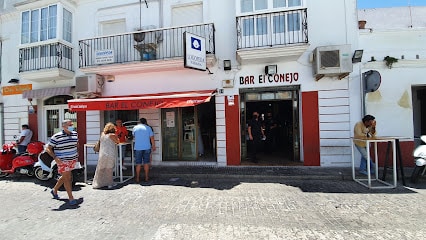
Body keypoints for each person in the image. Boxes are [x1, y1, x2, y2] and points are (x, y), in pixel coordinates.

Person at [46, 119, 81, 206]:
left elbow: (77, 144)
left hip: (72, 159)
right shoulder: (57, 136)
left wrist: (77, 153)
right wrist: (55, 157)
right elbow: (48, 148)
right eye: (70, 124)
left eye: (72, 124)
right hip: (62, 160)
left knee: (65, 176)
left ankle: (54, 190)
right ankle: (71, 198)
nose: (72, 126)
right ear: (64, 126)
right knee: (68, 178)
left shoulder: (75, 134)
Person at [92, 122, 120, 189]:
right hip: (110, 153)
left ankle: (98, 183)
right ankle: (109, 183)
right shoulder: (112, 135)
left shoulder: (102, 134)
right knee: (109, 169)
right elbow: (118, 141)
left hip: (102, 153)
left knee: (100, 169)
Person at [133, 118, 155, 183]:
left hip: (137, 147)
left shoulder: (135, 128)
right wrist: (153, 146)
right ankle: (146, 177)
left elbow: (133, 136)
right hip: (147, 147)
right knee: (146, 163)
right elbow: (152, 138)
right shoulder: (148, 128)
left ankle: (137, 178)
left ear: (139, 122)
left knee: (138, 163)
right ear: (145, 122)